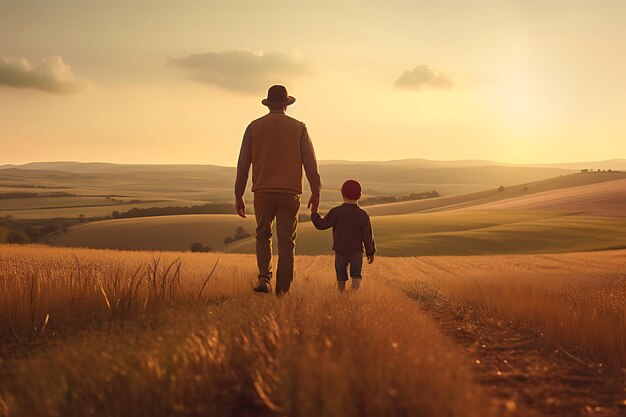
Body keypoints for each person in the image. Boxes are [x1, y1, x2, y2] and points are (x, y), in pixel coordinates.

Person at [235, 85, 321, 295]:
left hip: (262, 191)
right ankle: (282, 291)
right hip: (290, 193)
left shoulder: (253, 127)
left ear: (268, 104)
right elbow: (311, 164)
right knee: (286, 243)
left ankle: (264, 277)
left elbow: (243, 164)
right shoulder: (299, 127)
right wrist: (316, 192)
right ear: (286, 104)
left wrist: (238, 194)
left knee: (263, 235)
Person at [310, 179, 376, 291]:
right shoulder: (363, 215)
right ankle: (353, 295)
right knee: (356, 275)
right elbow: (368, 236)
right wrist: (370, 252)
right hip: (356, 252)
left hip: (340, 251)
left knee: (341, 276)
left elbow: (321, 225)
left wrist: (314, 213)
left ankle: (341, 295)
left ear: (342, 194)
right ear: (360, 195)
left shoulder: (336, 212)